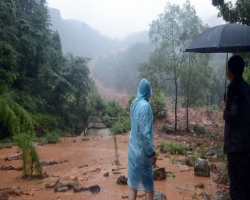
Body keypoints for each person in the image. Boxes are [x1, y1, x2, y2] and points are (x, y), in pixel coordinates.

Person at [220, 55, 250, 200]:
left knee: (236, 190)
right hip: (247, 145)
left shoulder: (233, 89)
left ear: (230, 71)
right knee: (246, 187)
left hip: (236, 148)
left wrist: (224, 108)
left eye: (227, 69)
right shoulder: (247, 88)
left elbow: (233, 115)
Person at [127, 78, 156, 200]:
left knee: (133, 187)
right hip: (142, 155)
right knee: (149, 188)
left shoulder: (134, 104)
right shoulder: (145, 107)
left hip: (132, 152)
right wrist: (151, 152)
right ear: (148, 92)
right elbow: (145, 134)